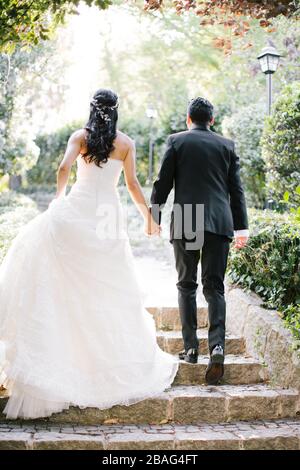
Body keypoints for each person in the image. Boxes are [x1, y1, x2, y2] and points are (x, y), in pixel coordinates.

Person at [0, 88, 179, 419]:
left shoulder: (80, 137)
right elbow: (133, 184)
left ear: (92, 109)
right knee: (106, 291)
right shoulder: (125, 143)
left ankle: (64, 359)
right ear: (117, 110)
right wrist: (149, 219)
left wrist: (58, 198)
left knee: (63, 287)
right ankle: (103, 364)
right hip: (106, 218)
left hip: (78, 211)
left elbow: (63, 167)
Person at [150, 97, 249, 385]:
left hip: (186, 219)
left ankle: (191, 348)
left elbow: (163, 183)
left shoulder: (177, 141)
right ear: (212, 120)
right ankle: (217, 347)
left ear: (188, 119)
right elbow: (236, 190)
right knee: (215, 287)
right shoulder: (226, 146)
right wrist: (241, 228)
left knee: (186, 285)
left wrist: (154, 217)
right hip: (219, 222)